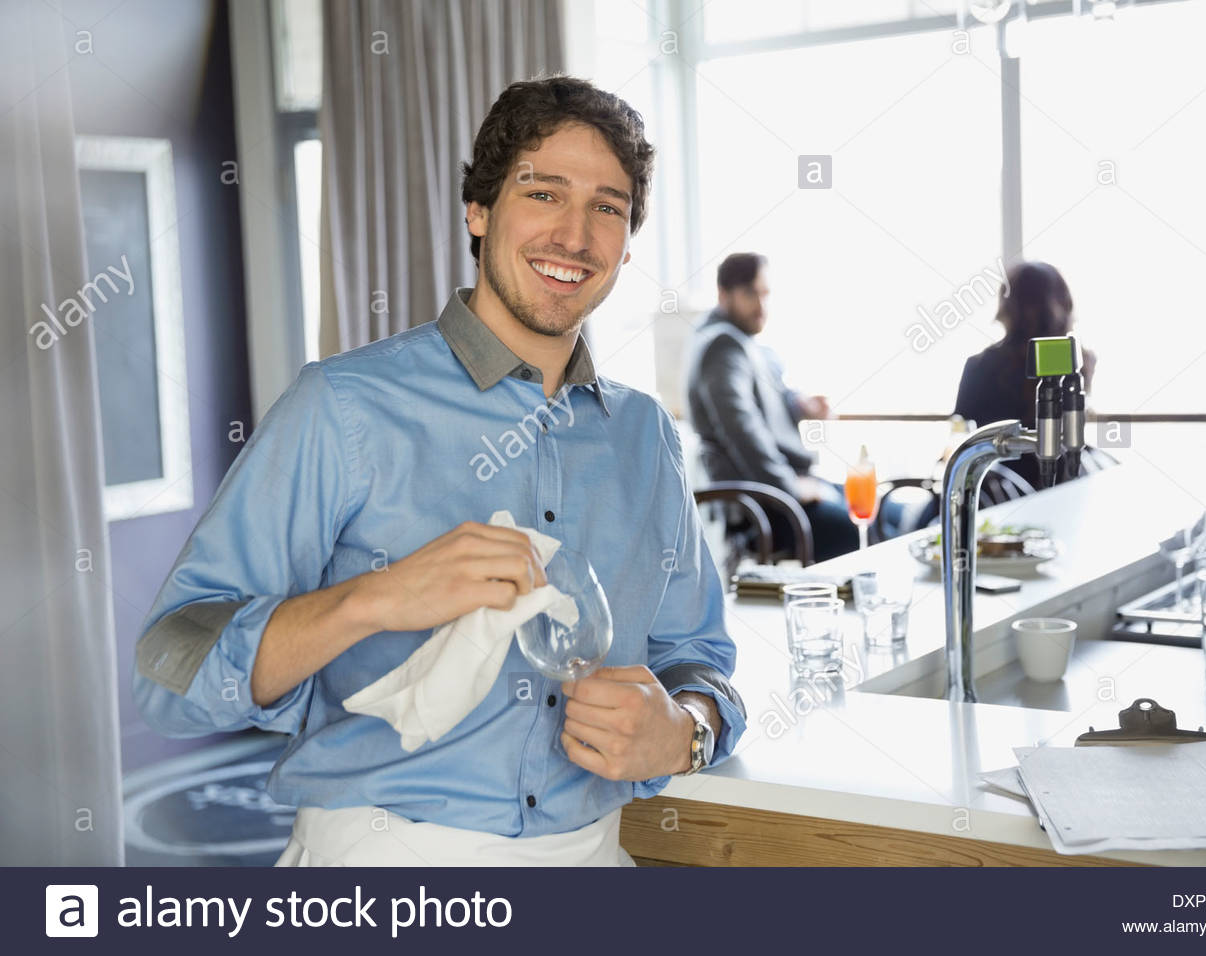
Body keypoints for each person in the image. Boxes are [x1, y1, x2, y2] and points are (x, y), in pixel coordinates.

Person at [133, 76, 746, 867]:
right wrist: (373, 600)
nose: (574, 235)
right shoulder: (341, 407)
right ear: (478, 211)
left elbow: (697, 655)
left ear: (627, 244)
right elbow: (168, 669)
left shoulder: (644, 434)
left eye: (608, 206)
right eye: (544, 192)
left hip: (594, 855)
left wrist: (686, 731)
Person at [686, 253, 859, 563]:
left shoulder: (741, 343)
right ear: (723, 295)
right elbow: (741, 430)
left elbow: (761, 399)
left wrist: (797, 405)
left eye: (765, 294)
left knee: (881, 510)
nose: (761, 306)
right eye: (750, 293)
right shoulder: (722, 346)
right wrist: (789, 487)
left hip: (775, 495)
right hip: (767, 507)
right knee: (861, 527)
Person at [953, 260, 1097, 490]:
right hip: (1068, 485)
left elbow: (962, 429)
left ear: (1007, 306)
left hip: (995, 490)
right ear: (1063, 302)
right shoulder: (1080, 362)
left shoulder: (980, 366)